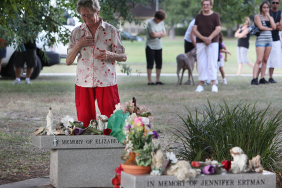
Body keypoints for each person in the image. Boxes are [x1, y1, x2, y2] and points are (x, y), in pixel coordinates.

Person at [66, 0, 127, 127]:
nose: (86, 18)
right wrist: (79, 44)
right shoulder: (76, 32)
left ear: (97, 12)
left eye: (89, 14)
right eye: (83, 15)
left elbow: (123, 56)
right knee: (85, 122)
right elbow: (68, 61)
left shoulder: (111, 30)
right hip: (84, 81)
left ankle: (113, 146)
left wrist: (111, 55)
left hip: (106, 80)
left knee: (112, 120)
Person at [193, 0, 221, 92]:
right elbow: (194, 29)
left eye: (207, 5)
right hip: (200, 42)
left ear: (211, 5)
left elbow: (218, 28)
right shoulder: (198, 16)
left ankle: (214, 85)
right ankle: (200, 85)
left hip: (213, 43)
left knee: (212, 63)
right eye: (204, 5)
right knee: (201, 63)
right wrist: (203, 38)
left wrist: (209, 38)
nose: (205, 6)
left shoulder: (215, 16)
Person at [251, 1, 276, 85]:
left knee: (265, 60)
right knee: (259, 60)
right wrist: (270, 29)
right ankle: (254, 79)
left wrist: (269, 16)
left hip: (269, 41)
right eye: (264, 7)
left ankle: (262, 78)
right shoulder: (257, 17)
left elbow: (274, 27)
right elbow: (261, 27)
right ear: (261, 8)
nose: (266, 9)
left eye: (267, 7)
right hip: (261, 41)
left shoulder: (270, 17)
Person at [145, 10, 166, 85]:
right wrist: (160, 33)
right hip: (150, 46)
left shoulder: (162, 22)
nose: (160, 21)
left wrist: (158, 33)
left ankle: (158, 80)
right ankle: (150, 81)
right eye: (159, 19)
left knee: (159, 64)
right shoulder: (150, 22)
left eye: (161, 20)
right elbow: (152, 34)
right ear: (156, 17)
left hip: (159, 46)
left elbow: (165, 33)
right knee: (150, 64)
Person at [265, 0, 282, 83]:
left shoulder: (280, 13)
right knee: (264, 58)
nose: (275, 4)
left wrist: (276, 25)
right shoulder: (267, 11)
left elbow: (280, 28)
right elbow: (267, 25)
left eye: (277, 3)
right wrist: (276, 25)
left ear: (279, 4)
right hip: (266, 38)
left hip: (276, 39)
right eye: (273, 2)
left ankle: (270, 77)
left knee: (273, 59)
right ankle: (261, 77)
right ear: (271, 3)